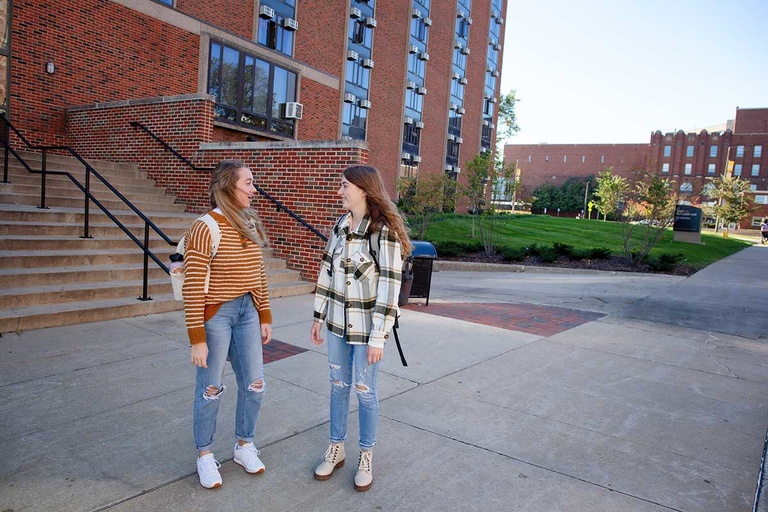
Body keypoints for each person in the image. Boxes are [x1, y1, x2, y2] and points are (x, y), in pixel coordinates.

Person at [310, 165, 413, 492]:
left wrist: (379, 336)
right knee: (338, 385)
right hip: (337, 327)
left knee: (365, 392)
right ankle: (336, 448)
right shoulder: (340, 226)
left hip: (368, 332)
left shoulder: (383, 233)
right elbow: (327, 271)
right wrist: (318, 315)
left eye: (344, 186)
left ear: (363, 190)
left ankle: (365, 455)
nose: (339, 191)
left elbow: (389, 287)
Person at [182, 159, 273, 489]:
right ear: (227, 186)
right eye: (248, 183)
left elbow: (258, 274)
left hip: (248, 311)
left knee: (256, 384)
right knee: (210, 388)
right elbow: (193, 284)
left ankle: (244, 445)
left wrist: (264, 315)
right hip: (216, 315)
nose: (254, 189)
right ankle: (205, 454)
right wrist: (197, 337)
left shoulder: (248, 221)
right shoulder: (205, 227)